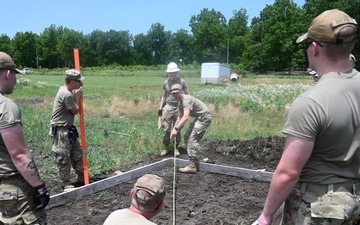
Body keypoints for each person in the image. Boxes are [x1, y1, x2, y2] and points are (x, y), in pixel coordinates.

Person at [257, 9, 360, 225]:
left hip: (321, 207)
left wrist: (266, 216)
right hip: (355, 198)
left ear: (314, 48)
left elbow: (288, 173)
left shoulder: (311, 102)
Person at [0, 52, 49, 224]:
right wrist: (40, 187)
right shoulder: (5, 106)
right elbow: (19, 155)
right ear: (8, 73)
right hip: (11, 189)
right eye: (15, 74)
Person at [50, 69, 84, 191]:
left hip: (69, 130)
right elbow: (75, 110)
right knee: (63, 158)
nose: (80, 84)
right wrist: (78, 96)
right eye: (79, 82)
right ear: (73, 82)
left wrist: (76, 95)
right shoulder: (66, 94)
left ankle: (82, 176)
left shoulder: (67, 92)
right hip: (61, 131)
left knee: (77, 154)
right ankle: (66, 183)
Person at [170, 84, 212, 173]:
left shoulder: (186, 99)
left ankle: (192, 166)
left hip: (204, 118)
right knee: (187, 137)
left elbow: (185, 117)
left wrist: (176, 129)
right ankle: (194, 158)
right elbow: (180, 116)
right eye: (173, 94)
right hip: (199, 118)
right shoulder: (180, 101)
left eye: (176, 93)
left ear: (181, 91)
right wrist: (174, 128)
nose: (175, 95)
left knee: (192, 139)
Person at [158, 62, 190, 157]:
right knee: (166, 129)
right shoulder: (165, 83)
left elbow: (188, 95)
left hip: (179, 107)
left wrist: (187, 107)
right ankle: (166, 147)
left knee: (177, 129)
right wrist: (160, 108)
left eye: (174, 72)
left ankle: (176, 148)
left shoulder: (182, 82)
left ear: (177, 72)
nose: (172, 74)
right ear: (168, 73)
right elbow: (164, 96)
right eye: (170, 73)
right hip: (168, 107)